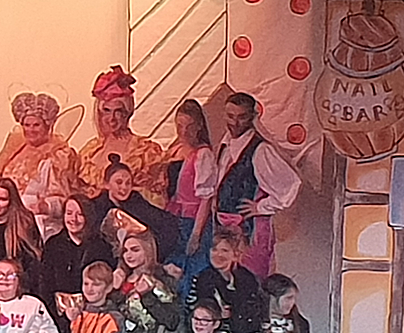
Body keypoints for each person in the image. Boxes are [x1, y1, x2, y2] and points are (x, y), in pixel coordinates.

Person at [214, 91, 301, 277]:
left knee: (251, 280)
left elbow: (290, 185)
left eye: (242, 117)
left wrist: (261, 206)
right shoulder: (226, 145)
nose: (235, 123)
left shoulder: (260, 150)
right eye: (230, 116)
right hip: (225, 231)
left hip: (251, 233)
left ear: (252, 117)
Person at [0, 91, 80, 238]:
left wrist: (45, 206)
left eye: (36, 125)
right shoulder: (15, 147)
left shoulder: (58, 155)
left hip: (34, 218)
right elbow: (1, 185)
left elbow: (65, 198)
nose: (30, 130)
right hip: (4, 213)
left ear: (47, 126)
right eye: (26, 125)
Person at [77, 64, 167, 203]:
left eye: (118, 111)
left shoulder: (146, 152)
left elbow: (156, 200)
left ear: (127, 113)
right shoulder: (90, 151)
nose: (112, 118)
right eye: (106, 111)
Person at [39, 193, 115, 333]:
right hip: (59, 317)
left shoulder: (100, 246)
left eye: (80, 214)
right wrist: (59, 314)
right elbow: (45, 284)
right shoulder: (53, 244)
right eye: (69, 213)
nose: (73, 219)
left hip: (93, 316)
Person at [165, 98, 218, 301]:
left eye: (189, 126)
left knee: (191, 272)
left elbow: (205, 199)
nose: (183, 132)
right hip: (176, 218)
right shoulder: (177, 151)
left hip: (194, 222)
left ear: (199, 127)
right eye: (179, 126)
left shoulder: (203, 154)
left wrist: (196, 235)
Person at [92, 156, 180, 265]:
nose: (124, 188)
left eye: (128, 183)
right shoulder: (96, 207)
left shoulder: (135, 200)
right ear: (106, 184)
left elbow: (159, 219)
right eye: (119, 182)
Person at [0, 177, 43, 295]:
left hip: (19, 294)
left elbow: (33, 268)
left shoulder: (24, 227)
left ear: (12, 202)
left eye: (2, 199)